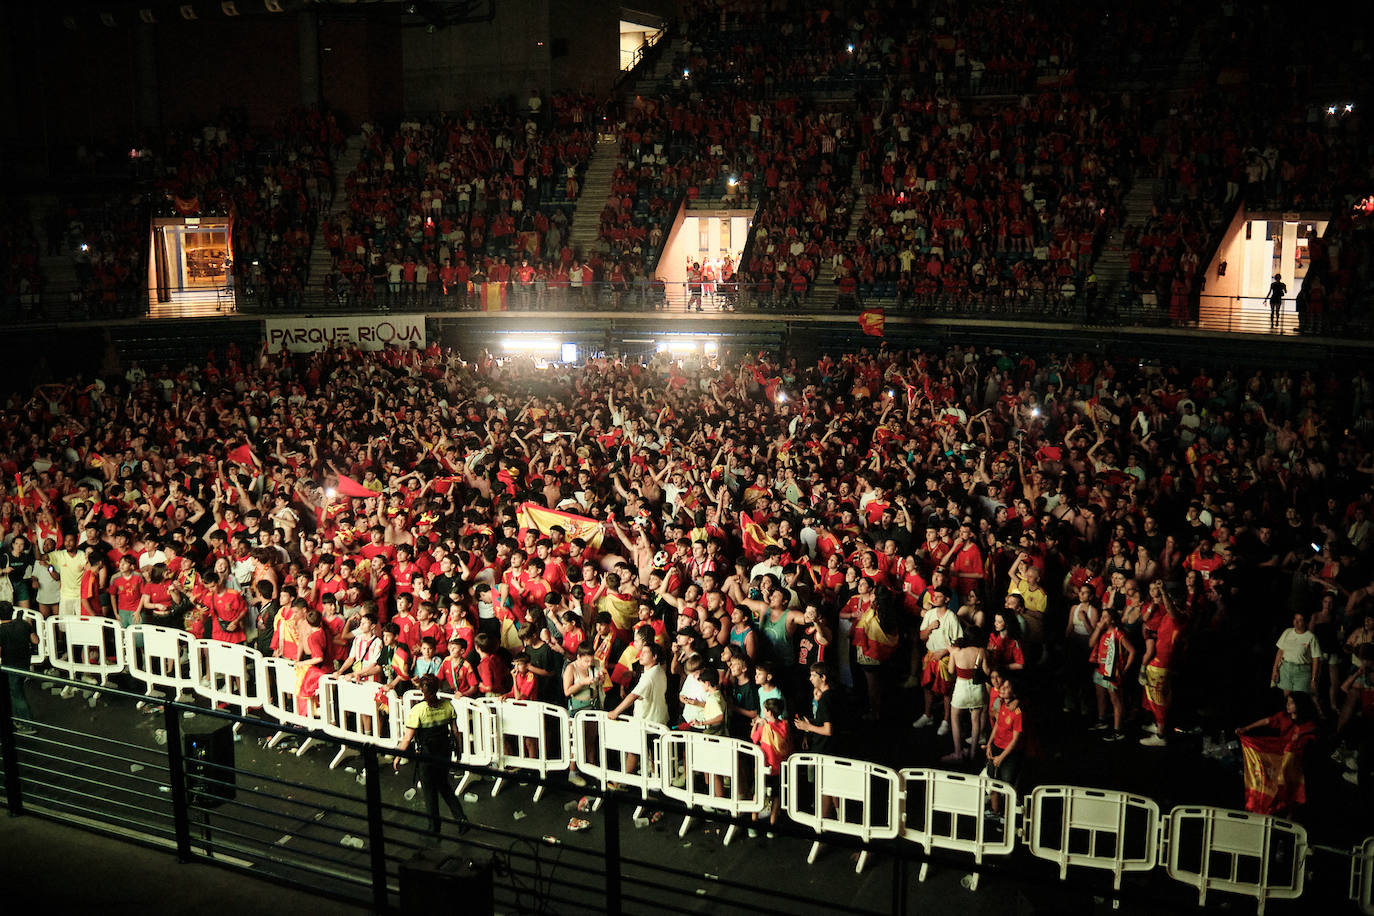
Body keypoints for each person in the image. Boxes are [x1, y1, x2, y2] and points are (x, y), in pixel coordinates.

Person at [393, 673, 469, 835]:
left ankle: (434, 827)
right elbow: (455, 732)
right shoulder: (448, 706)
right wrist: (459, 750)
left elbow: (407, 738)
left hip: (426, 755)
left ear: (421, 690)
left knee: (429, 791)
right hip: (444, 752)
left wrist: (398, 756)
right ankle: (461, 819)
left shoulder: (418, 710)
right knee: (444, 786)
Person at [0, 601, 38, 735]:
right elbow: (35, 640)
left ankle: (27, 725)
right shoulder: (23, 624)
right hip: (25, 664)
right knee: (16, 692)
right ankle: (18, 720)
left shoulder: (1, 631)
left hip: (11, 667)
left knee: (17, 695)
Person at [1272, 610, 1322, 699]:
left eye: (1300, 620)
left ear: (1305, 622)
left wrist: (1314, 679)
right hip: (1286, 669)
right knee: (1287, 699)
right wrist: (1275, 669)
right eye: (1295, 618)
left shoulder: (1311, 637)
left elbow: (1316, 659)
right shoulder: (1287, 632)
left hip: (1302, 671)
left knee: (1300, 699)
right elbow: (1280, 651)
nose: (1296, 622)